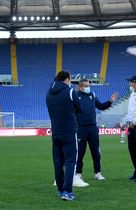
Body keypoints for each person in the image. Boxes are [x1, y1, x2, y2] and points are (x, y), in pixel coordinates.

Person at [73, 79, 119, 186]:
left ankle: (97, 172)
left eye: (88, 85)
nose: (87, 87)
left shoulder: (92, 95)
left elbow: (101, 106)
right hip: (80, 128)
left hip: (93, 128)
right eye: (85, 86)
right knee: (80, 152)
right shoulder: (75, 95)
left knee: (96, 152)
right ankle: (78, 173)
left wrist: (110, 101)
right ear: (80, 87)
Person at [46, 70, 82, 201]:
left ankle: (61, 189)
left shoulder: (48, 92)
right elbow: (79, 107)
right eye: (70, 79)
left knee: (58, 161)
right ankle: (67, 191)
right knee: (71, 161)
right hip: (69, 131)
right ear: (66, 79)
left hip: (55, 131)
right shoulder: (70, 91)